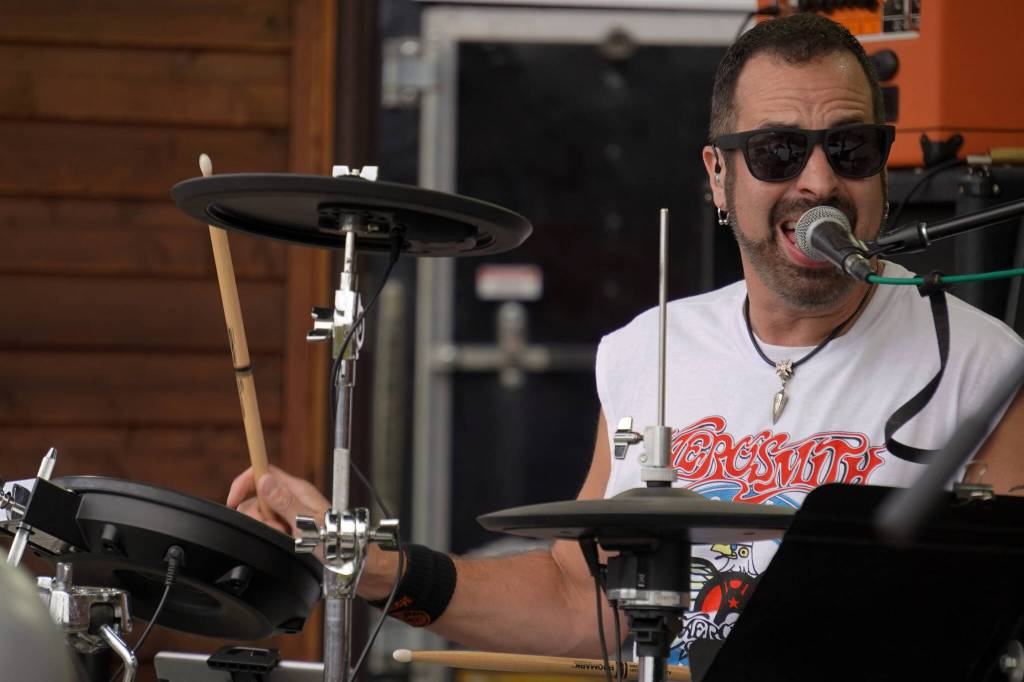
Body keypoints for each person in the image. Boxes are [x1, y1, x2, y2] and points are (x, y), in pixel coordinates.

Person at [228, 13, 1024, 665]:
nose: (818, 181)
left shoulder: (981, 365)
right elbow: (584, 600)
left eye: (848, 148)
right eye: (779, 151)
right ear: (718, 174)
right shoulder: (651, 350)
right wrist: (376, 571)